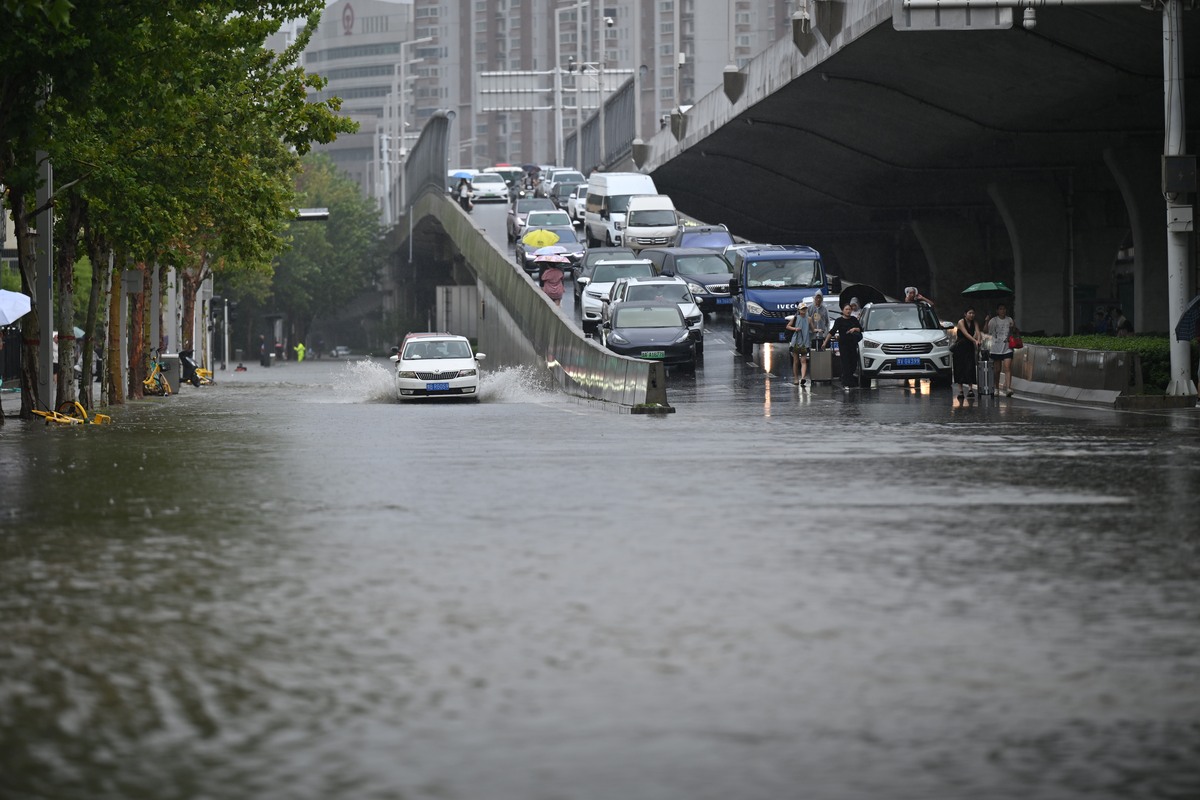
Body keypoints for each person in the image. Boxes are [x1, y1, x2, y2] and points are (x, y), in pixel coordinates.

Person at [823, 303, 863, 389]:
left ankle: (847, 378)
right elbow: (832, 332)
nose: (848, 311)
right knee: (846, 363)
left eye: (849, 309)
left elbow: (860, 329)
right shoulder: (839, 321)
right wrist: (825, 342)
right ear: (842, 311)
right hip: (844, 345)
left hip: (853, 344)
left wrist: (854, 329)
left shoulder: (854, 319)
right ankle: (846, 382)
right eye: (846, 309)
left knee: (853, 363)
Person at [986, 303, 1018, 396]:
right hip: (996, 348)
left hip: (1007, 347)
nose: (1002, 311)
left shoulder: (1009, 319)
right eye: (1000, 309)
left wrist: (1013, 326)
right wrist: (986, 321)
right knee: (997, 370)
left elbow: (1014, 331)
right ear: (997, 311)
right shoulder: (993, 320)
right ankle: (996, 388)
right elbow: (987, 331)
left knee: (1008, 367)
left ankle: (1008, 388)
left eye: (1004, 309)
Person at [952, 307, 983, 401]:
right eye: (970, 313)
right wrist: (975, 340)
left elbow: (978, 332)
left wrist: (979, 340)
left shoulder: (975, 323)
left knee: (970, 367)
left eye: (973, 313)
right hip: (960, 347)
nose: (972, 315)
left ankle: (970, 389)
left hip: (969, 347)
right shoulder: (961, 322)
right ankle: (960, 390)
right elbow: (966, 334)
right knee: (960, 368)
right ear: (965, 314)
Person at [786, 302, 814, 387]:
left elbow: (812, 329)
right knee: (796, 361)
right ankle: (795, 378)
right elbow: (788, 326)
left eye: (805, 309)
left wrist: (818, 330)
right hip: (796, 342)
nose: (804, 310)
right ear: (799, 310)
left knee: (803, 360)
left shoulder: (809, 319)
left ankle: (802, 377)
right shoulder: (795, 318)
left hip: (805, 342)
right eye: (802, 309)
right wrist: (795, 329)